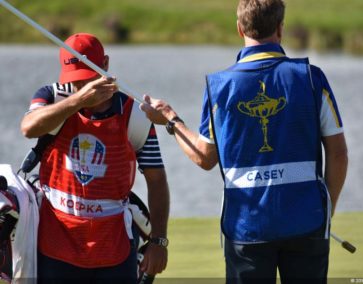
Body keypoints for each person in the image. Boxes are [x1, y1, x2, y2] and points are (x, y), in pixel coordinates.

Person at [139, 0, 348, 283]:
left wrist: (171, 120)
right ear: (280, 28)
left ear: (239, 28)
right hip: (307, 222)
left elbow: (204, 157)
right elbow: (338, 155)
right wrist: (325, 212)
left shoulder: (220, 86)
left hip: (245, 227)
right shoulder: (311, 77)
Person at [20, 33, 170, 282]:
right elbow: (28, 128)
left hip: (114, 250)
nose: (81, 86)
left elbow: (156, 180)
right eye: (74, 80)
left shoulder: (135, 115)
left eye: (87, 78)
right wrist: (78, 101)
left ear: (106, 65)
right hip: (55, 244)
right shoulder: (53, 97)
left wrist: (159, 241)